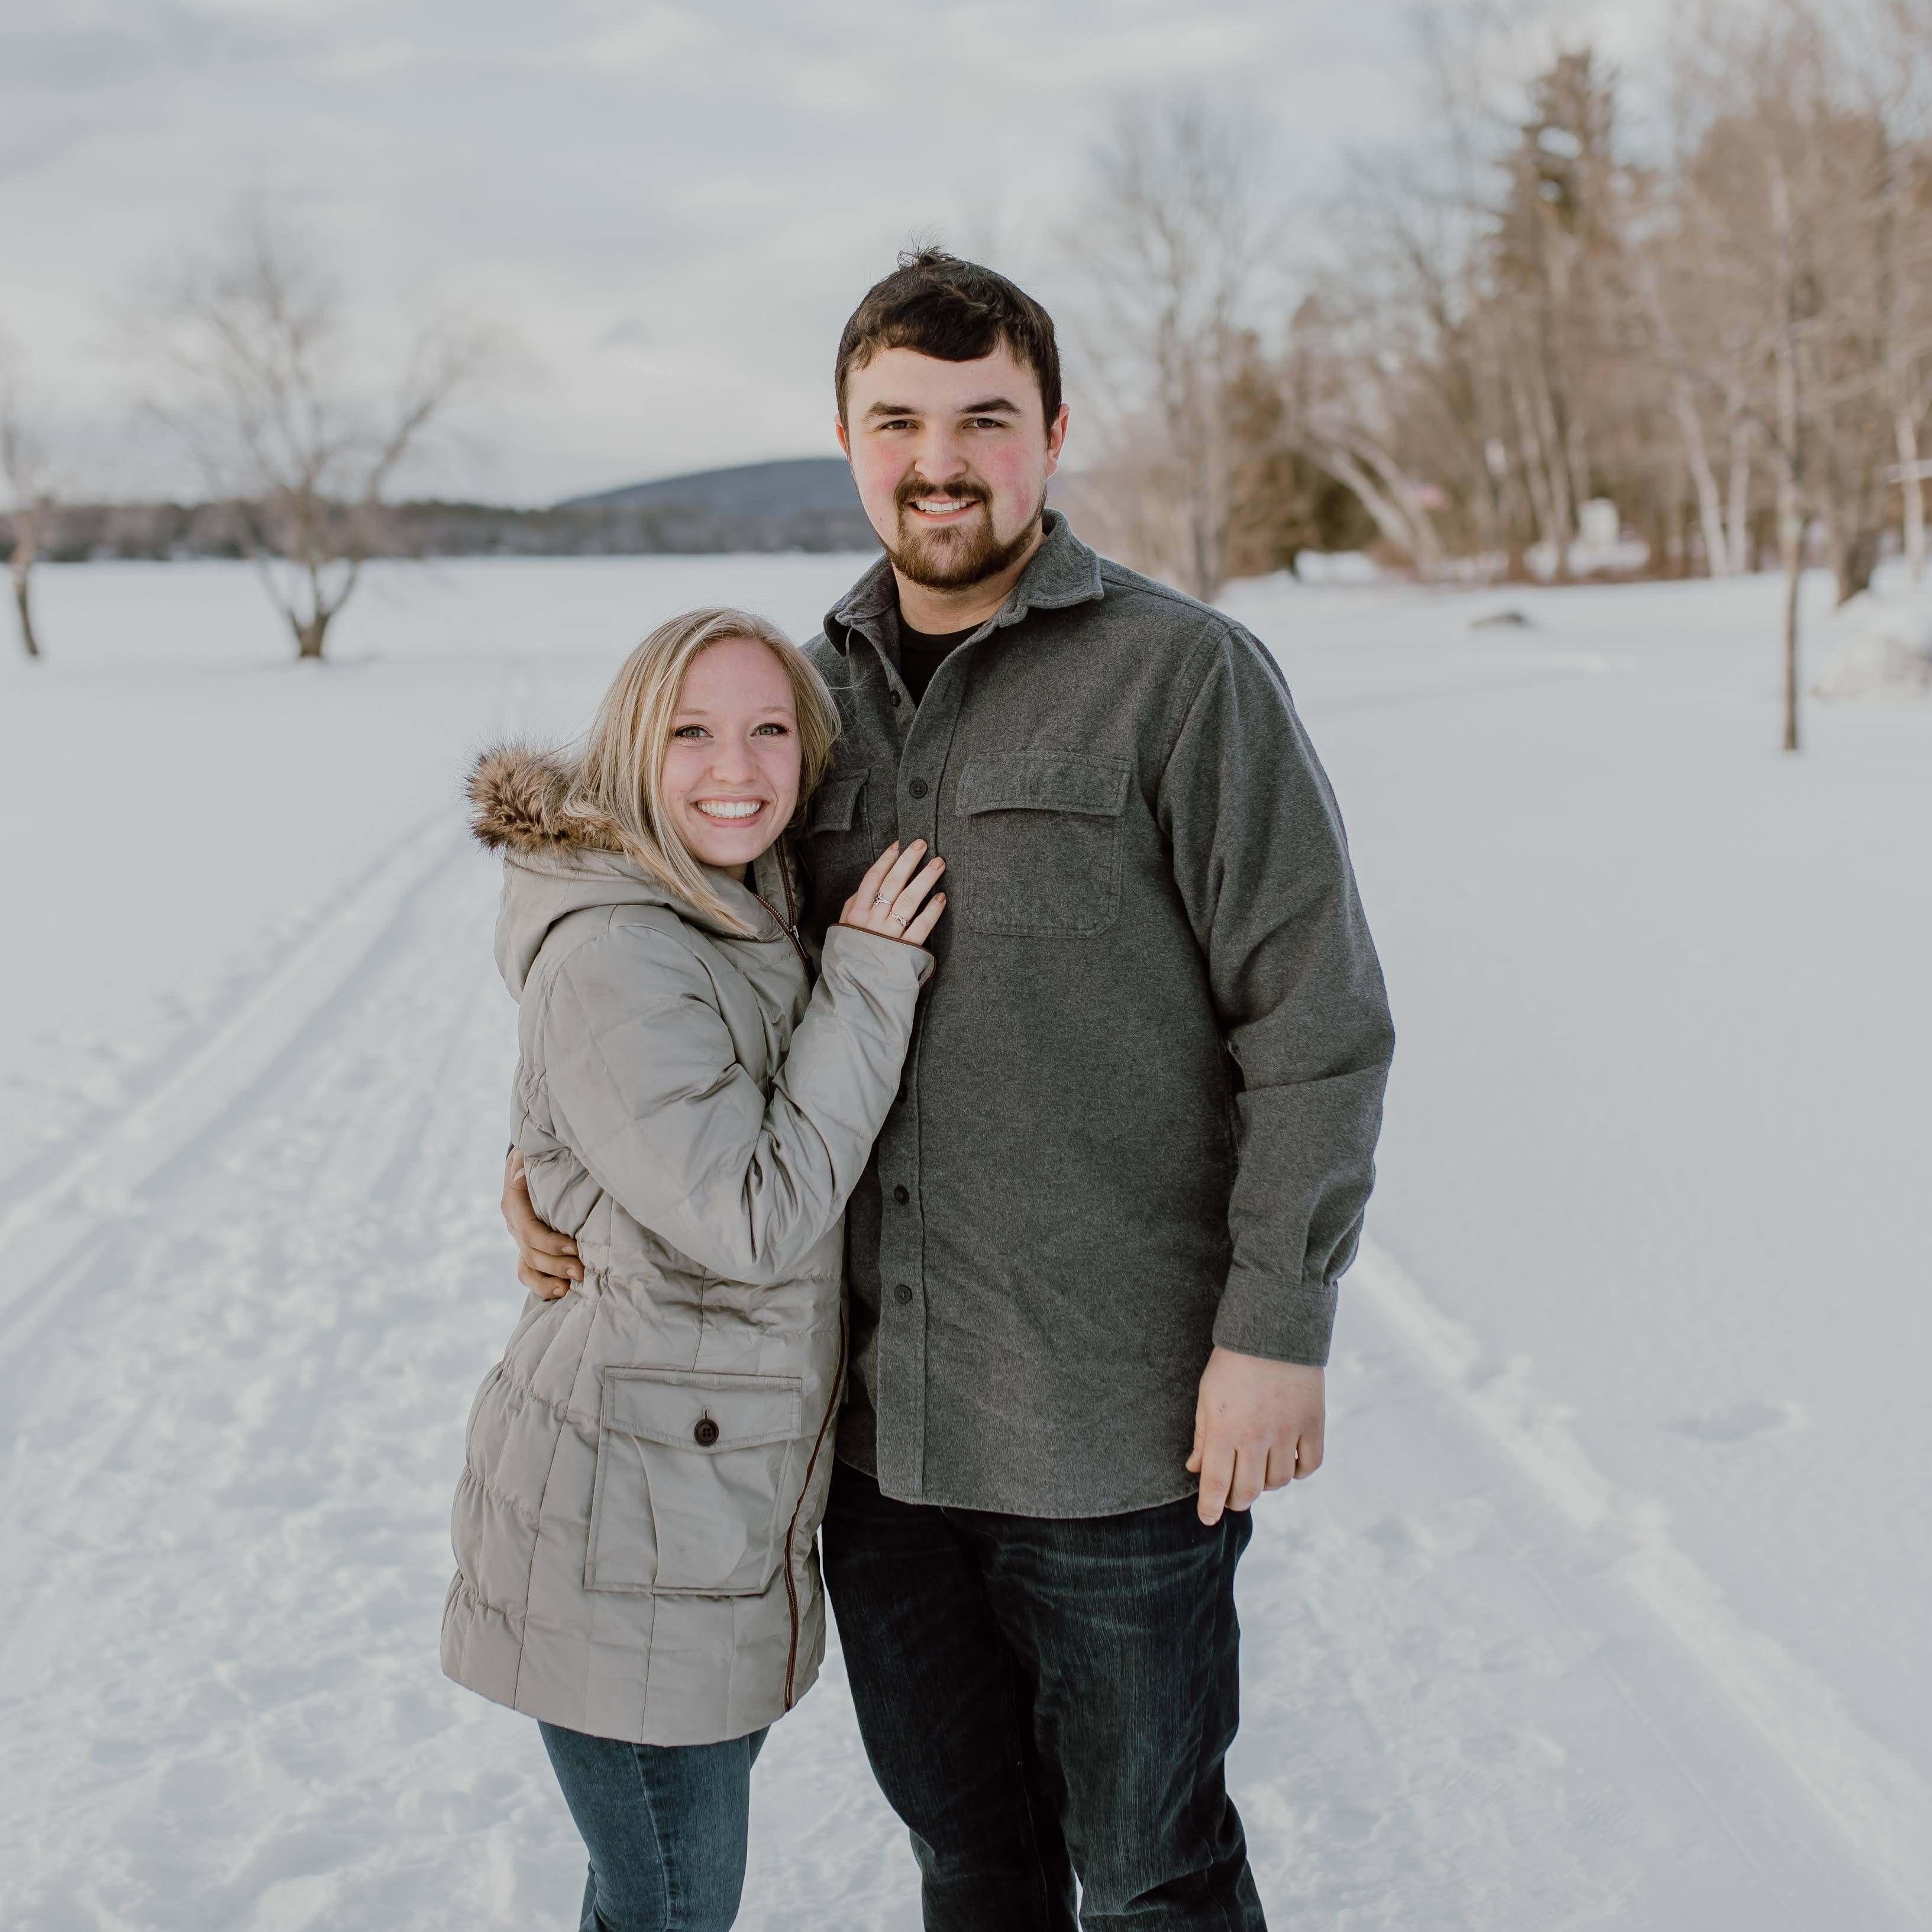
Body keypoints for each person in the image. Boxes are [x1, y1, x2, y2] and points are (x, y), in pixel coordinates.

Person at [506, 253, 1396, 1930]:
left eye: (985, 418)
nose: (941, 458)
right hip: (869, 1445)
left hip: (1114, 1432)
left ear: (1052, 436)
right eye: (898, 420)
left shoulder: (1182, 680)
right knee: (970, 1861)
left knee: (1151, 1870)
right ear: (844, 440)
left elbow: (1319, 1019)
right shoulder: (797, 705)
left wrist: (1276, 1325)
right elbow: (649, 946)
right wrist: (544, 1154)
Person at [444, 606, 946, 1932]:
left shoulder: (724, 899)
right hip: (628, 1529)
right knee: (669, 1906)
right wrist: (873, 979)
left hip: (694, 1514)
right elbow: (753, 1213)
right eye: (693, 732)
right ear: (630, 747)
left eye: (771, 728)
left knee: (648, 1898)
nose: (739, 765)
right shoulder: (622, 942)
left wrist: (538, 1171)